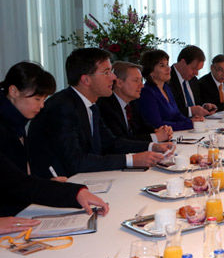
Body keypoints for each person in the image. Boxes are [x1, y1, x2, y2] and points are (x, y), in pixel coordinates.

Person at [27, 48, 169, 178]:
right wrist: (132, 159)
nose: (113, 77)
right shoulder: (62, 107)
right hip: (60, 186)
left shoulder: (91, 105)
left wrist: (152, 147)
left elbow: (111, 143)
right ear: (86, 79)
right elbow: (76, 161)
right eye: (106, 72)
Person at [0, 61, 110, 227]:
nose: (42, 105)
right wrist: (75, 193)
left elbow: (17, 175)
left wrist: (48, 183)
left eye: (44, 99)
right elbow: (15, 182)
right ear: (13, 91)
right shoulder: (7, 125)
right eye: (37, 98)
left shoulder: (15, 122)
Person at [97, 61, 173, 142]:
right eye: (136, 81)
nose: (142, 85)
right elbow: (119, 140)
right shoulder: (105, 106)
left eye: (141, 80)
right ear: (119, 83)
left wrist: (160, 131)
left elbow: (142, 126)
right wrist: (155, 137)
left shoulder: (132, 102)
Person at [137, 50, 202, 131]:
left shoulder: (166, 88)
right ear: (150, 72)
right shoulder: (147, 93)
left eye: (167, 64)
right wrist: (188, 124)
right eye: (162, 66)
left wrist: (192, 121)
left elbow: (176, 115)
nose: (168, 68)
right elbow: (157, 124)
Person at [166, 45, 217, 118]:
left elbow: (196, 104)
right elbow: (169, 111)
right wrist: (190, 111)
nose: (196, 73)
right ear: (183, 62)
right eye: (194, 68)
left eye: (198, 70)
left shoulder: (194, 80)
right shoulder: (167, 80)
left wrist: (204, 107)